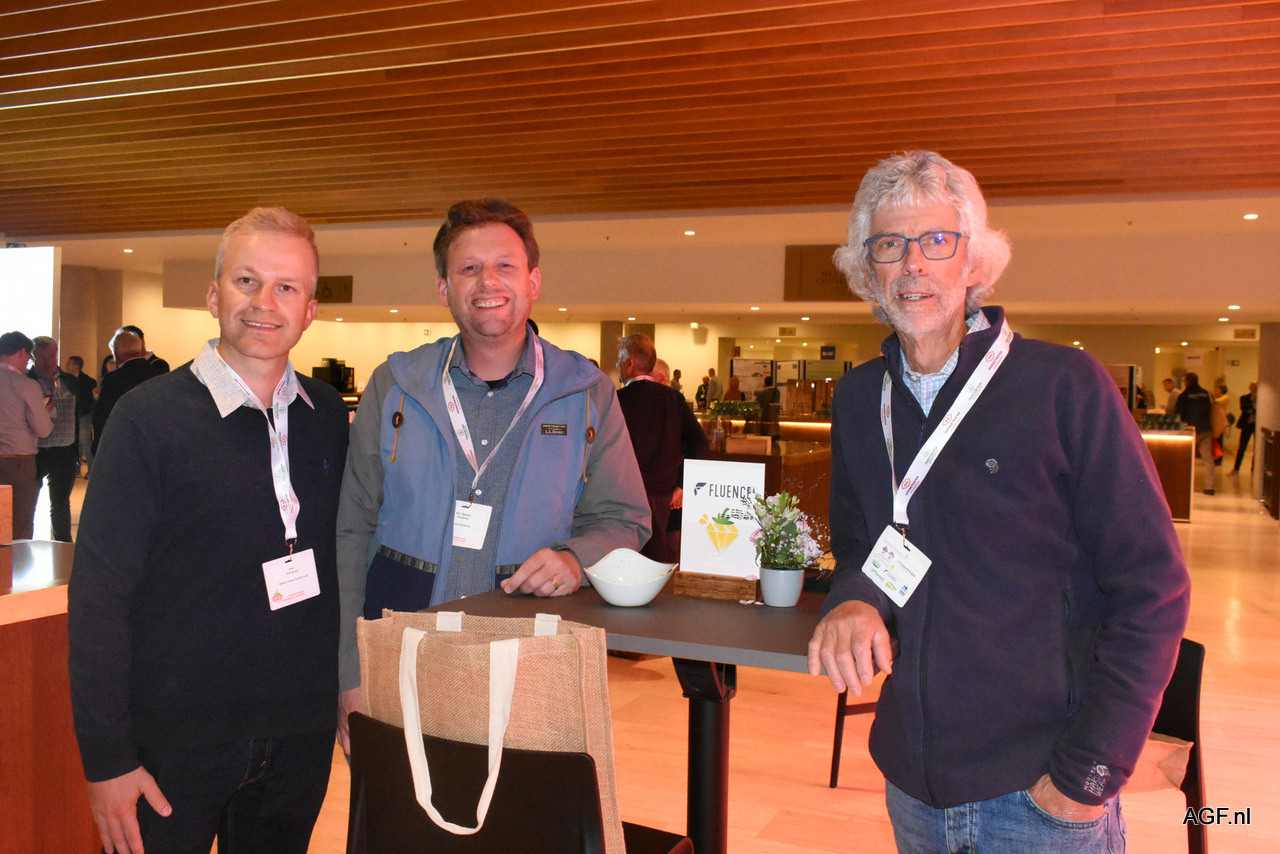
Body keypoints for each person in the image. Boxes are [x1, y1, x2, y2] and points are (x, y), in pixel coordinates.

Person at [806, 151, 1189, 852]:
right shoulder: (861, 399)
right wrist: (855, 599)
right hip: (911, 785)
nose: (913, 264)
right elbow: (868, 545)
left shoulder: (1064, 386)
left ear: (973, 261)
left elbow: (1154, 588)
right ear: (868, 269)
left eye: (937, 240)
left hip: (1041, 791)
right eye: (889, 245)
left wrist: (1089, 773)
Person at [68, 207, 349, 854]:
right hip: (172, 743)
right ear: (214, 295)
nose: (264, 302)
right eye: (247, 280)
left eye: (287, 287)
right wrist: (106, 757)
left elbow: (342, 565)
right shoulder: (147, 420)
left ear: (310, 310)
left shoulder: (327, 416)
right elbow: (100, 598)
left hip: (297, 737)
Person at [335, 198, 649, 751]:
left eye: (505, 265)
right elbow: (351, 530)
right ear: (444, 287)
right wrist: (348, 671)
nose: (488, 281)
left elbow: (625, 519)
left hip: (532, 663)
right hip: (401, 654)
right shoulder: (396, 385)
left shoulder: (587, 392)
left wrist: (578, 559)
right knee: (400, 806)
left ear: (533, 281)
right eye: (469, 267)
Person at [616, 333, 709, 562]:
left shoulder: (616, 400)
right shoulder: (673, 399)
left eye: (619, 359)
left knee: (625, 559)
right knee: (660, 560)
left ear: (630, 362)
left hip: (624, 495)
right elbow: (699, 442)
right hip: (664, 496)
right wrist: (682, 483)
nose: (617, 364)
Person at [0, 331, 54, 540]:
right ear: (22, 352)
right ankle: (14, 562)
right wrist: (45, 412)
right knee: (19, 526)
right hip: (18, 462)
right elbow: (43, 429)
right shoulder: (26, 384)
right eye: (30, 357)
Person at [29, 336, 79, 541]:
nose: (47, 361)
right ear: (33, 357)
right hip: (36, 451)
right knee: (28, 503)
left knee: (60, 503)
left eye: (50, 356)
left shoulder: (70, 381)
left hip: (65, 451)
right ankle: (23, 543)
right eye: (41, 356)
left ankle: (64, 545)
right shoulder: (27, 381)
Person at [92, 328, 163, 455]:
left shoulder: (113, 378)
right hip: (151, 442)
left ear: (116, 353)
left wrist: (98, 446)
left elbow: (103, 414)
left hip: (122, 442)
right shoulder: (157, 374)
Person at [1175, 372, 1215, 494]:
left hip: (1190, 430)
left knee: (1186, 459)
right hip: (1205, 429)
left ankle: (1185, 486)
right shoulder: (1206, 393)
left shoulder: (1184, 395)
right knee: (1207, 459)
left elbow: (1179, 412)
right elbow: (1210, 409)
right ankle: (1210, 487)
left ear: (1187, 381)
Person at [65, 355, 96, 476]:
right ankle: (75, 469)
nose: (66, 366)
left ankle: (91, 468)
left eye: (69, 364)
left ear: (76, 366)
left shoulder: (88, 381)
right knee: (73, 442)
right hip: (71, 415)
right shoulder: (65, 380)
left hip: (83, 415)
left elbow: (88, 400)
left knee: (85, 441)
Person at [1231, 382, 1258, 476]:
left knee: (1257, 448)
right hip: (1247, 425)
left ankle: (1254, 469)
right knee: (1242, 447)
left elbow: (1257, 411)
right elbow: (1244, 408)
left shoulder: (1260, 399)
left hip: (1256, 425)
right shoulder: (1244, 398)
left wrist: (1252, 410)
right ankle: (1236, 468)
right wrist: (1253, 410)